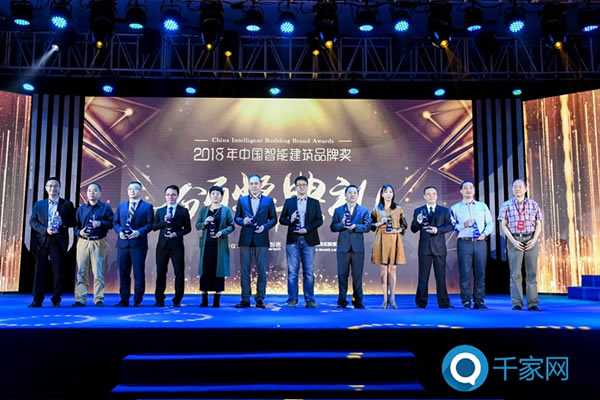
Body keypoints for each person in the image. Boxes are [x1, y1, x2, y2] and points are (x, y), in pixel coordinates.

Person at [28, 177, 75, 307]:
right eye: (50, 186)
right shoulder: (39, 204)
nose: (53, 188)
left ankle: (56, 299)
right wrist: (45, 230)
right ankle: (37, 299)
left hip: (58, 240)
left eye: (55, 186)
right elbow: (33, 221)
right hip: (42, 240)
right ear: (46, 188)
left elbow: (73, 221)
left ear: (59, 188)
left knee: (58, 271)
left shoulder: (67, 204)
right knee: (39, 271)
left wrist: (63, 222)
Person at [498, 179, 543, 311]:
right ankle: (517, 302)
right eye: (515, 187)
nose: (518, 189)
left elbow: (539, 224)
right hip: (514, 240)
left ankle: (532, 303)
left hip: (530, 239)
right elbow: (503, 225)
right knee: (515, 273)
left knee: (532, 273)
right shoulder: (506, 205)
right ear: (512, 189)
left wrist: (534, 240)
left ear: (525, 189)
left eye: (520, 186)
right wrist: (513, 241)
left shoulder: (533, 204)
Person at [279, 176, 323, 308]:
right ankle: (292, 299)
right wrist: (290, 220)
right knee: (292, 272)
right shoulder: (289, 202)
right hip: (293, 240)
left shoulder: (314, 202)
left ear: (307, 187)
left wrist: (307, 229)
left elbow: (319, 220)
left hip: (309, 239)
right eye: (299, 185)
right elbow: (281, 219)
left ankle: (310, 300)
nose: (302, 187)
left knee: (309, 272)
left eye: (304, 185)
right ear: (296, 187)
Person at [234, 174, 277, 308]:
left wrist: (264, 227)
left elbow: (274, 219)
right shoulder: (242, 200)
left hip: (261, 239)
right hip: (245, 239)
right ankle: (245, 299)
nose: (253, 186)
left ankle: (260, 299)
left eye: (256, 183)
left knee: (262, 271)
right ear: (248, 185)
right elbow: (237, 218)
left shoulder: (268, 201)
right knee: (245, 271)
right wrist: (243, 221)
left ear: (260, 185)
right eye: (251, 184)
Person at [450, 180, 494, 309]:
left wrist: (484, 234)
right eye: (465, 188)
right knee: (465, 272)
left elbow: (489, 223)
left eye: (470, 188)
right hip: (464, 242)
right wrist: (463, 225)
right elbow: (451, 225)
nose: (468, 190)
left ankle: (479, 301)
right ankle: (466, 301)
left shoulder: (482, 206)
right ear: (461, 191)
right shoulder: (455, 208)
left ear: (474, 190)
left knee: (480, 272)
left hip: (480, 242)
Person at [410, 186, 454, 309]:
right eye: (428, 194)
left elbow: (449, 226)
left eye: (434, 194)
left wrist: (437, 230)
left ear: (437, 196)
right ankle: (420, 303)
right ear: (424, 196)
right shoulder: (418, 211)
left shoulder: (444, 211)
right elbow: (413, 229)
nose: (431, 196)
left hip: (439, 248)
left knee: (441, 277)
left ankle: (444, 303)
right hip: (424, 248)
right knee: (423, 277)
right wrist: (418, 221)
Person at [330, 185, 372, 309]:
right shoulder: (338, 210)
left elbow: (368, 226)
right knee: (342, 275)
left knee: (357, 276)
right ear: (345, 195)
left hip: (358, 248)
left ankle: (357, 301)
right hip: (343, 247)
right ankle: (341, 301)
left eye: (355, 193)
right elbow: (333, 227)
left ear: (357, 195)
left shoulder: (363, 210)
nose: (352, 195)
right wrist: (342, 224)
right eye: (350, 193)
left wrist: (355, 227)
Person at [73, 183, 114, 307]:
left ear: (100, 194)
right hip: (83, 241)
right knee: (81, 271)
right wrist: (79, 232)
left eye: (95, 190)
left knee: (98, 271)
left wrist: (100, 223)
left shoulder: (105, 208)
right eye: (89, 190)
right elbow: (76, 225)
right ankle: (81, 299)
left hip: (98, 241)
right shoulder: (81, 209)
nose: (92, 192)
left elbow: (111, 223)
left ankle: (99, 298)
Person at [113, 181, 154, 307]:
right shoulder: (121, 206)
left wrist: (138, 232)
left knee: (138, 273)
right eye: (130, 188)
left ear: (140, 191)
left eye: (135, 189)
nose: (132, 191)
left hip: (138, 244)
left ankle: (138, 299)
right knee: (123, 273)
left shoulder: (147, 206)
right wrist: (119, 231)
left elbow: (150, 224)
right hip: (123, 244)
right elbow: (115, 223)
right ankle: (124, 299)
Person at [151, 185, 191, 307]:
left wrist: (176, 234)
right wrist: (163, 221)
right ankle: (159, 299)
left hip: (177, 245)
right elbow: (154, 227)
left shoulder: (183, 211)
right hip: (162, 246)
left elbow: (188, 228)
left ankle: (177, 299)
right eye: (168, 194)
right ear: (165, 196)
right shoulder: (160, 211)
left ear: (177, 196)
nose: (170, 197)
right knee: (160, 273)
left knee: (179, 273)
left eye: (173, 195)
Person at [196, 185, 235, 308]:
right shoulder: (204, 210)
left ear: (222, 196)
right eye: (213, 193)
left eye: (218, 194)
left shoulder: (226, 210)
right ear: (210, 195)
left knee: (219, 271)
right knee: (205, 270)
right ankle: (204, 299)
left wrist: (222, 232)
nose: (216, 196)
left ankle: (216, 300)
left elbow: (232, 225)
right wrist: (205, 222)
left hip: (220, 245)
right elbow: (197, 225)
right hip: (207, 245)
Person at [370, 184, 407, 309]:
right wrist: (380, 223)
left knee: (393, 269)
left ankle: (393, 299)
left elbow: (404, 226)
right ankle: (385, 299)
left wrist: (397, 230)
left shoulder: (398, 208)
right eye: (386, 192)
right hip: (381, 239)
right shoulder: (376, 209)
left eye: (391, 192)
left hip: (394, 239)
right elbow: (370, 225)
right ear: (382, 194)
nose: (388, 194)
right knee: (383, 270)